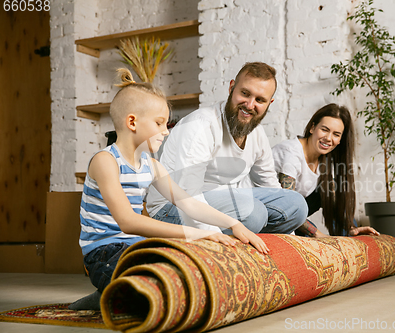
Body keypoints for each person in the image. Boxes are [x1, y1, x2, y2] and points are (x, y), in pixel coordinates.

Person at [69, 68, 269, 311]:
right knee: (158, 285)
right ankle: (108, 296)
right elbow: (128, 222)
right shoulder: (105, 161)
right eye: (159, 123)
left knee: (188, 267)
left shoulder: (151, 165)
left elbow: (189, 203)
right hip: (103, 252)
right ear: (132, 122)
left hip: (136, 245)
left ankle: (116, 293)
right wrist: (194, 233)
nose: (166, 130)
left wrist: (234, 225)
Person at [146, 62, 308, 235]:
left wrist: (290, 237)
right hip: (173, 207)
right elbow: (188, 195)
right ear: (232, 87)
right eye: (245, 93)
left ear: (269, 103)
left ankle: (252, 238)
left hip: (228, 203)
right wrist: (217, 234)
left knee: (296, 205)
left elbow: (270, 185)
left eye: (260, 100)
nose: (250, 104)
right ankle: (241, 234)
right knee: (253, 213)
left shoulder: (258, 134)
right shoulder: (201, 125)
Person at [272, 104, 379, 237]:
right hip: (271, 211)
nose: (328, 138)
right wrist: (318, 235)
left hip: (292, 211)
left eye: (336, 134)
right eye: (324, 129)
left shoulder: (323, 161)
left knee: (331, 186)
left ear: (340, 140)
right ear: (312, 128)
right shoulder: (291, 153)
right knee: (308, 231)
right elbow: (287, 205)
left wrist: (350, 227)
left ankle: (348, 231)